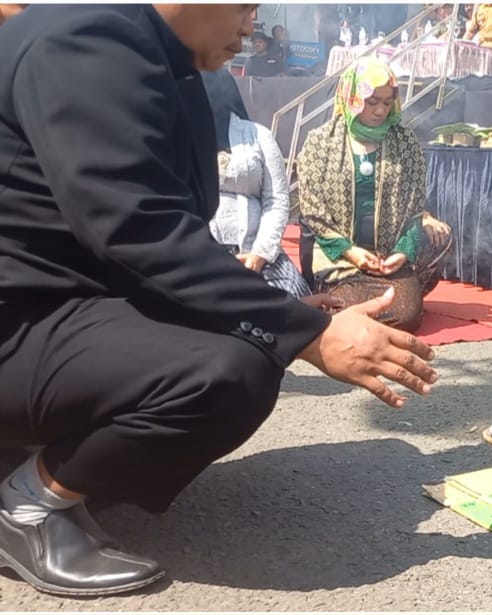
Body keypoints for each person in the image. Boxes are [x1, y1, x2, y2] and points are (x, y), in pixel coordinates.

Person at [0, 4, 437, 597]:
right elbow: (136, 231)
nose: (252, 24)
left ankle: (48, 454)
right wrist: (305, 335)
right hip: (18, 325)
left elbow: (162, 231)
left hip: (60, 308)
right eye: (244, 4)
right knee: (229, 371)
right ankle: (28, 506)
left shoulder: (160, 59)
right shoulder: (86, 39)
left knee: (254, 338)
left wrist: (284, 315)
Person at [297, 58, 452, 333]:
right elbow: (312, 210)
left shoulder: (405, 142)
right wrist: (352, 252)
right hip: (341, 258)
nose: (380, 110)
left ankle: (402, 288)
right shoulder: (320, 142)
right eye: (372, 102)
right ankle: (339, 295)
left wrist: (402, 253)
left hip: (388, 257)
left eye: (387, 101)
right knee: (346, 311)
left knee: (406, 315)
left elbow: (415, 208)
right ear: (352, 97)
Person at [201, 68, 311, 299]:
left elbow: (277, 200)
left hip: (259, 252)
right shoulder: (180, 136)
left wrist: (260, 254)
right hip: (199, 256)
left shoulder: (259, 136)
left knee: (293, 298)